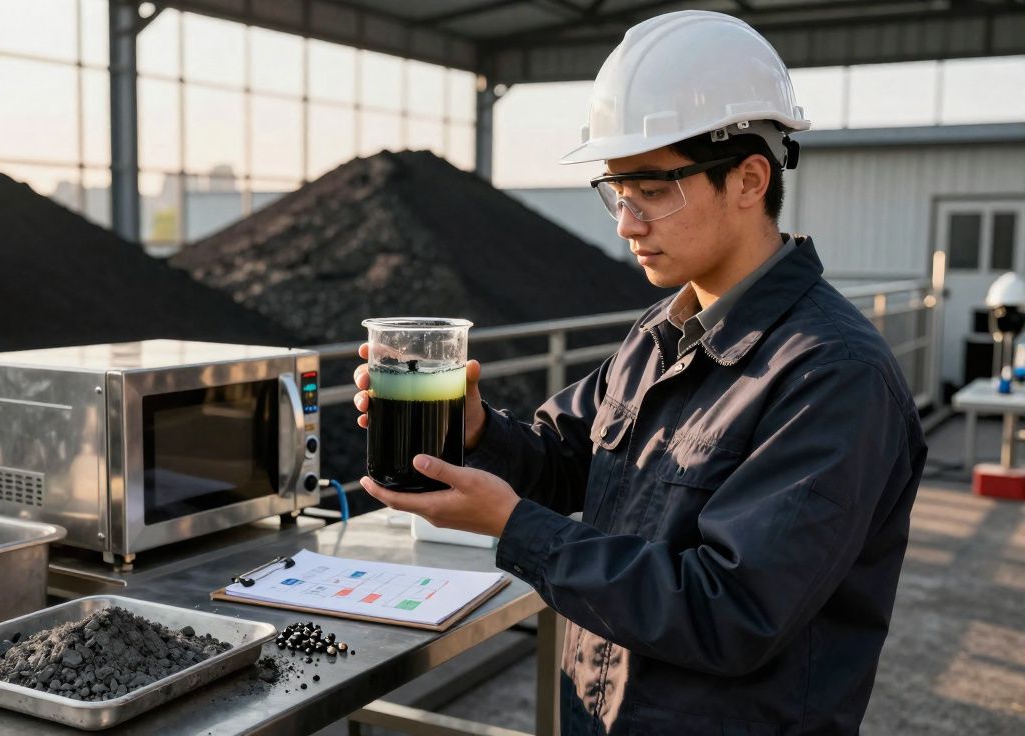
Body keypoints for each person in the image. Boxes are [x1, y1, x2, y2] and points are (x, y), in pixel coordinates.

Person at [354, 10, 927, 735]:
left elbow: (732, 612)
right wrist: (474, 429)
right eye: (617, 191)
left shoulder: (831, 375)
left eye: (653, 189)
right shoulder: (665, 333)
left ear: (750, 178)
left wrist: (514, 528)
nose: (626, 223)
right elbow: (570, 462)